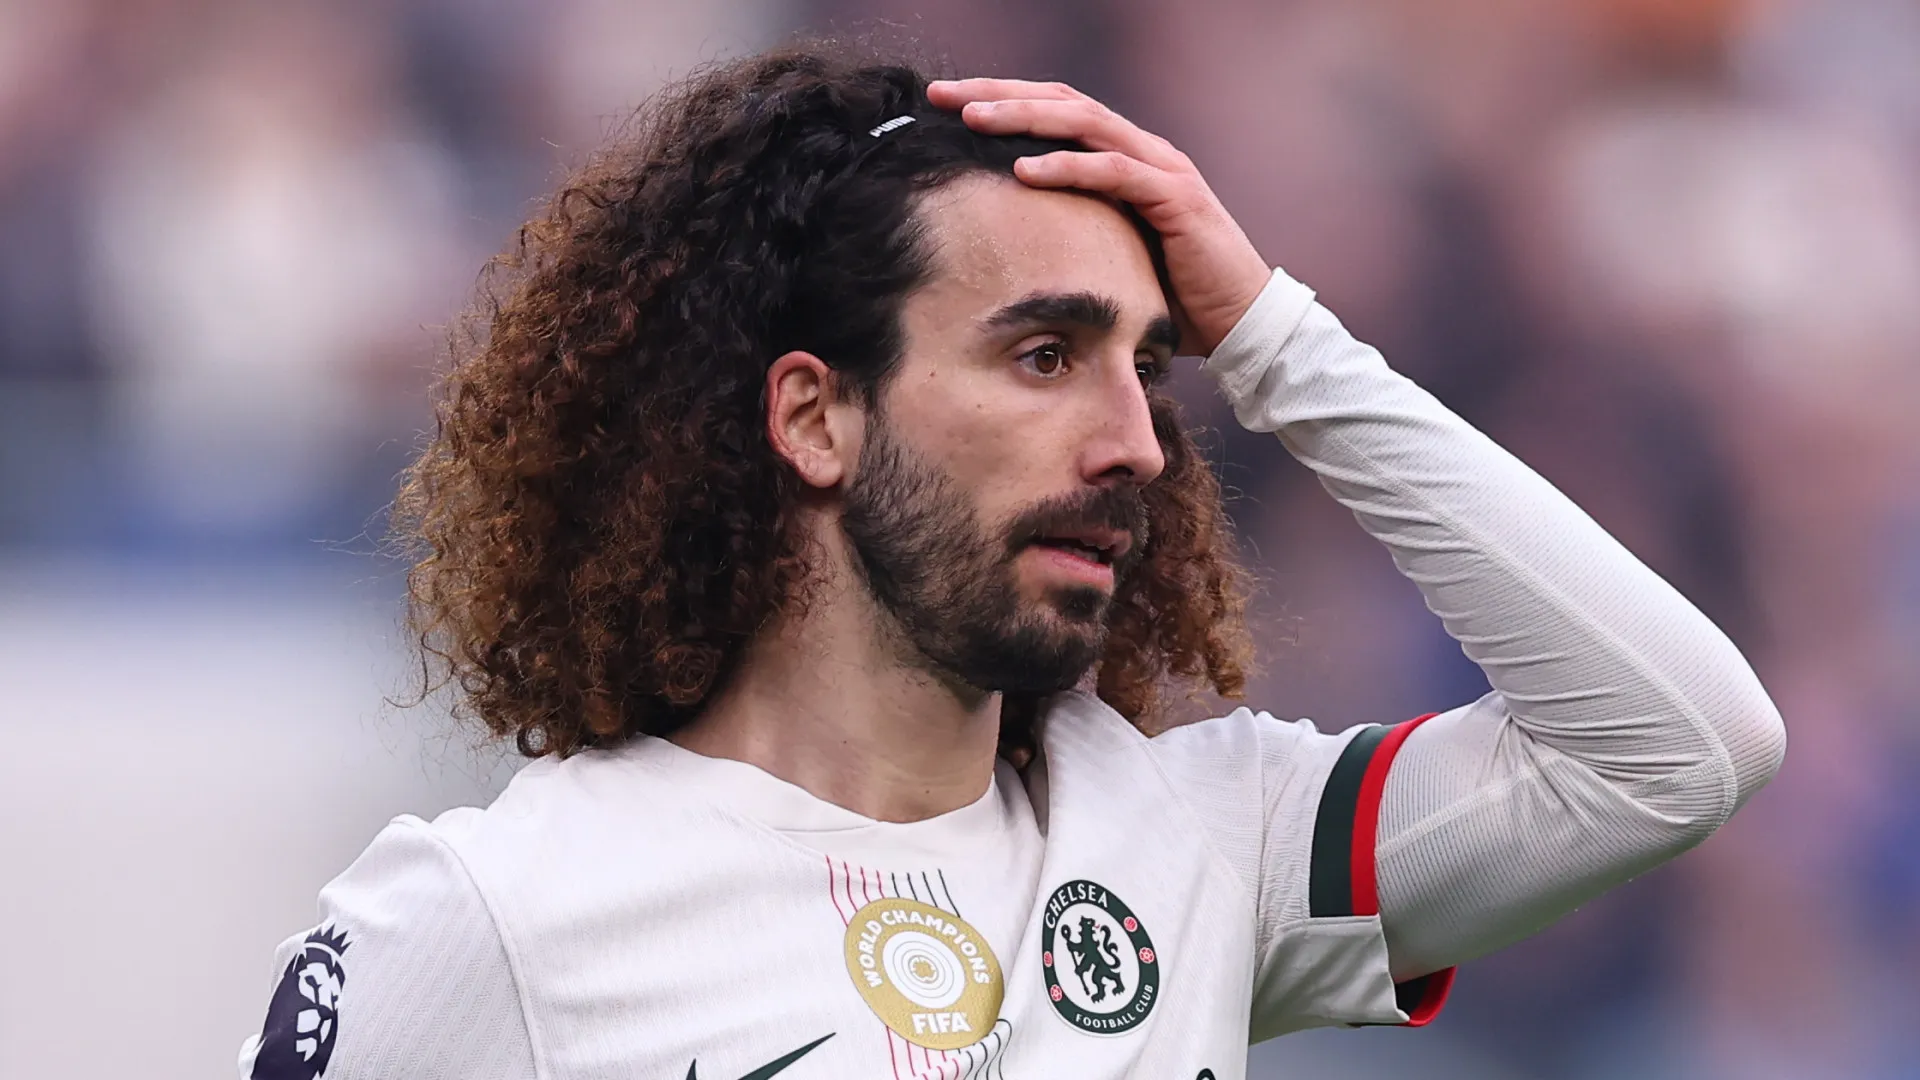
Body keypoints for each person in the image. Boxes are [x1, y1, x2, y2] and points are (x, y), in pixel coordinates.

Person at [237, 42, 1786, 1080]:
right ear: (816, 417)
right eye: (1045, 356)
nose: (1139, 443)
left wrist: (1276, 337)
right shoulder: (495, 913)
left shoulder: (1208, 843)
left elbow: (1680, 747)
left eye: (1152, 368)